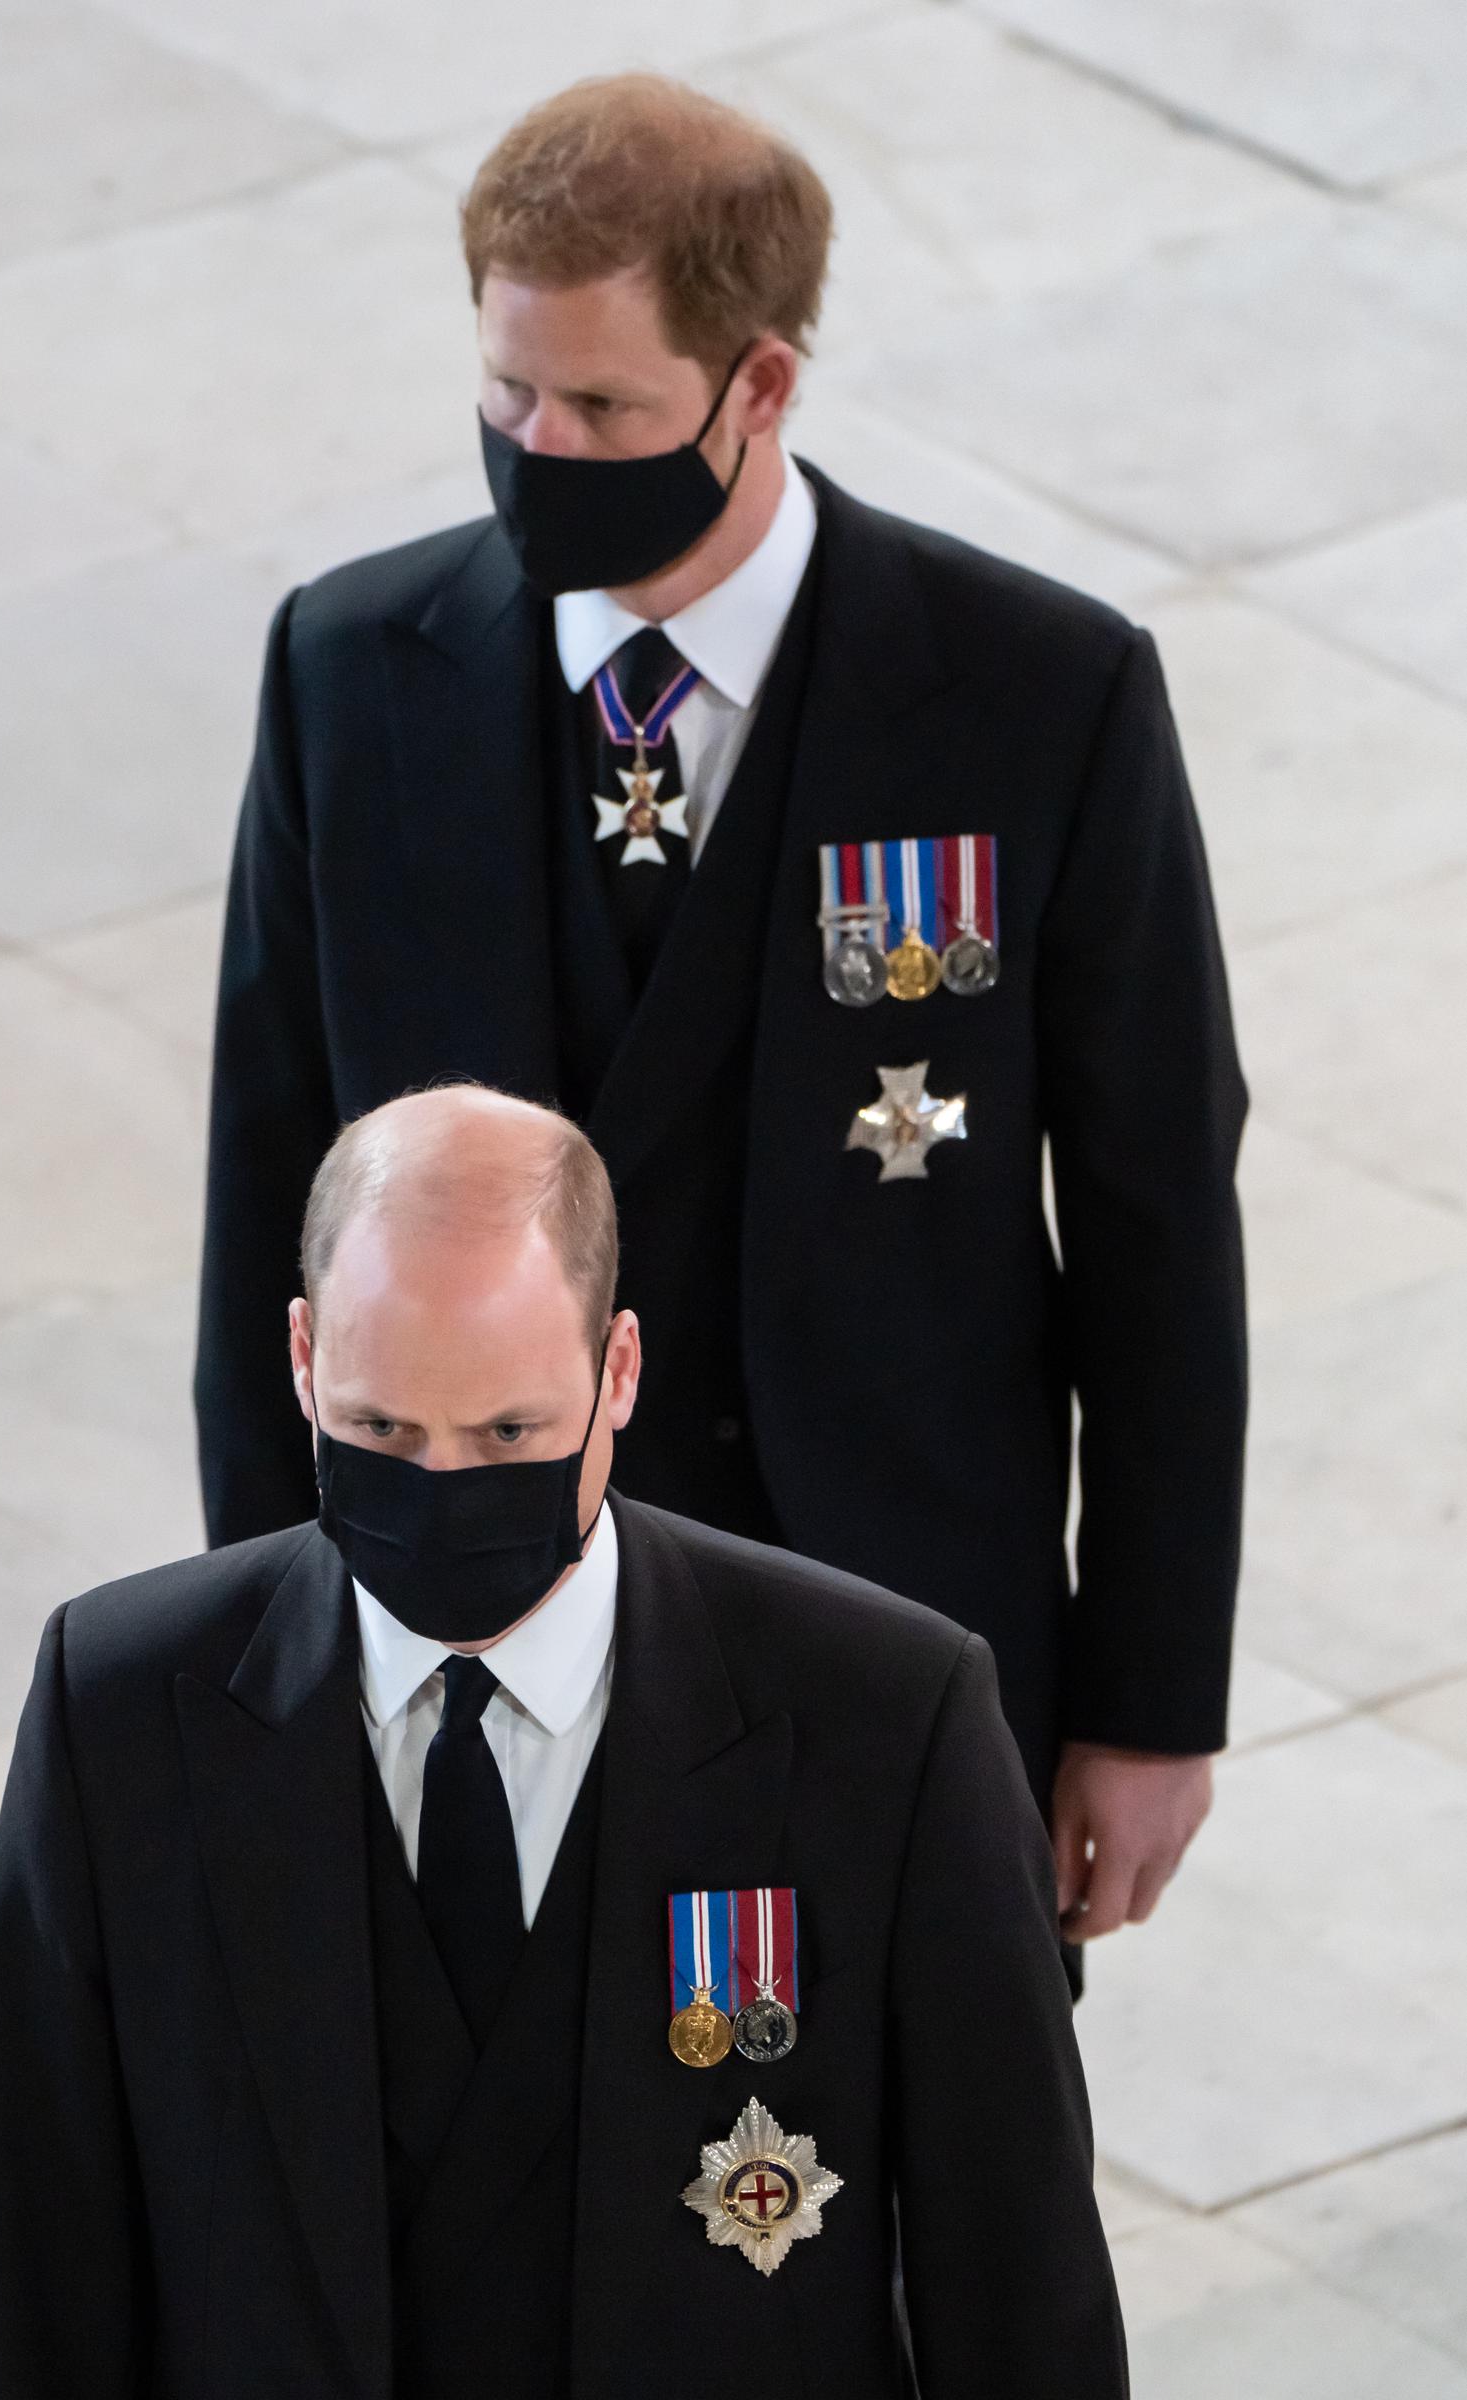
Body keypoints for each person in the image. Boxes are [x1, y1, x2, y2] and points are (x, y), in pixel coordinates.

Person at [195, 75, 1247, 1954]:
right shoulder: (353, 678)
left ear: (757, 387)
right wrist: (264, 1658)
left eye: (601, 407)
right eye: (507, 395)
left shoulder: (1037, 698)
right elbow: (267, 1196)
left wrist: (1148, 1704)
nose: (537, 446)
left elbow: (1159, 1223)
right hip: (466, 1652)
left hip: (895, 1649)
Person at [0, 1088, 1128, 2399]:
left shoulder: (884, 1720)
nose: (444, 1488)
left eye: (509, 1433)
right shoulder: (119, 1712)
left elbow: (1018, 2293)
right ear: (301, 1360)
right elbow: (40, 2274)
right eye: (381, 1431)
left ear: (616, 1371)